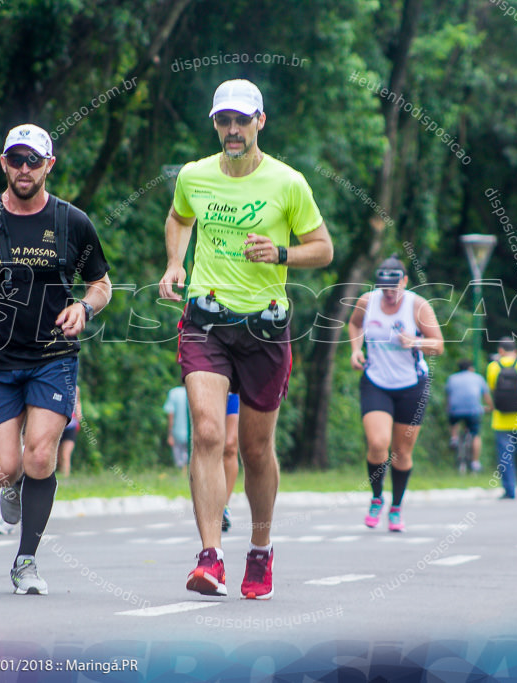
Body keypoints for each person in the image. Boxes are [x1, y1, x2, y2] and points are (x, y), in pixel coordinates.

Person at [158, 79, 334, 599]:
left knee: (256, 450)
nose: (232, 130)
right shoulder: (195, 175)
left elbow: (322, 249)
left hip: (265, 326)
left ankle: (260, 550)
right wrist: (174, 263)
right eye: (222, 121)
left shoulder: (288, 183)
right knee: (209, 432)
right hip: (206, 320)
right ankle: (209, 557)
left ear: (261, 121)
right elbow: (178, 216)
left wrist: (280, 255)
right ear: (214, 123)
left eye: (241, 120)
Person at [0, 124, 111, 595]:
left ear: (48, 166)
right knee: (5, 469)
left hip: (52, 356)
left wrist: (84, 306)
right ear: (3, 163)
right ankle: (9, 488)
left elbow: (102, 283)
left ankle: (26, 559)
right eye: (15, 159)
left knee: (40, 454)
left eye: (32, 161)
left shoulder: (72, 222)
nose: (23, 169)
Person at [348, 256, 444, 531]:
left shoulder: (417, 306)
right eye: (384, 288)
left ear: (404, 281)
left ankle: (397, 506)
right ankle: (377, 497)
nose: (388, 294)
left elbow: (438, 345)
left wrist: (415, 342)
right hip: (376, 381)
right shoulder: (368, 301)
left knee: (402, 452)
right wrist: (356, 350)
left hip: (411, 385)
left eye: (394, 288)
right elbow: (354, 325)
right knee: (378, 443)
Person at [486, 337, 517, 499]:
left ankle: (509, 490)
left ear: (500, 351)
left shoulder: (493, 366)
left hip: (501, 419)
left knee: (505, 456)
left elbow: (492, 386)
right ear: (516, 350)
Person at [445, 359, 492, 473]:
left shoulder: (452, 378)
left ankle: (454, 437)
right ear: (471, 368)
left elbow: (448, 397)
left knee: (453, 420)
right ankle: (475, 462)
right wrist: (490, 407)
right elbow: (486, 395)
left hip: (455, 410)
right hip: (473, 410)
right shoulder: (478, 378)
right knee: (475, 435)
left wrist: (448, 409)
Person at [222, 393, 240, 532]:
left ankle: (223, 506)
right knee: (211, 445)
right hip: (210, 387)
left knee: (230, 445)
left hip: (234, 391)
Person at [164, 385, 190, 477]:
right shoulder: (196, 392)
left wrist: (170, 433)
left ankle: (183, 474)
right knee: (188, 455)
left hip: (177, 431)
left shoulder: (174, 393)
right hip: (192, 432)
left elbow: (171, 414)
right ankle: (185, 474)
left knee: (179, 457)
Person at [56, 386, 82, 477]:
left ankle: (66, 477)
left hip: (71, 426)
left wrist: (79, 411)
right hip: (57, 426)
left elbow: (77, 402)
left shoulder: (76, 389)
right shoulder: (56, 385)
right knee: (58, 457)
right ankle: (58, 478)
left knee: (65, 454)